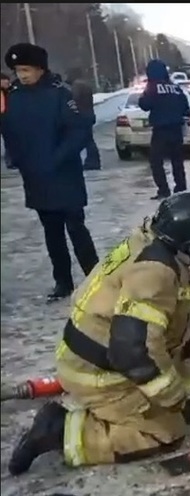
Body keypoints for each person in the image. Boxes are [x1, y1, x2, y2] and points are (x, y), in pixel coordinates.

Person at [8, 192, 190, 475]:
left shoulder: (150, 242)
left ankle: (172, 403)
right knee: (166, 433)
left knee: (168, 361)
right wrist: (173, 398)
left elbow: (147, 289)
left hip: (95, 352)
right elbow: (133, 352)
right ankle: (58, 431)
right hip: (100, 372)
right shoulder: (155, 272)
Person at [1, 43, 99, 302]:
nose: (21, 75)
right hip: (35, 177)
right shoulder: (13, 97)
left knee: (76, 228)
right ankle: (63, 282)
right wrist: (16, 157)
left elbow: (78, 131)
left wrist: (56, 159)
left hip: (64, 175)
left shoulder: (60, 94)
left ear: (40, 69)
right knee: (51, 232)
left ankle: (97, 278)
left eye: (26, 69)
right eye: (17, 70)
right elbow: (9, 132)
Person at [139, 59, 190, 200]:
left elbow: (145, 104)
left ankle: (163, 190)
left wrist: (144, 94)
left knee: (156, 161)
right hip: (176, 130)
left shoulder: (153, 87)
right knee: (177, 162)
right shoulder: (175, 88)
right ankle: (181, 188)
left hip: (161, 130)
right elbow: (186, 109)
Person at [67, 75, 100, 170]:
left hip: (83, 116)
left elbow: (74, 99)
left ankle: (92, 162)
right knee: (88, 140)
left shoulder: (77, 86)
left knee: (86, 140)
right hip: (89, 115)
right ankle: (93, 161)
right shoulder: (84, 85)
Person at [0, 71, 16, 169]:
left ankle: (10, 161)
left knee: (10, 139)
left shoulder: (10, 92)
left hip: (6, 118)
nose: (7, 84)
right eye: (5, 82)